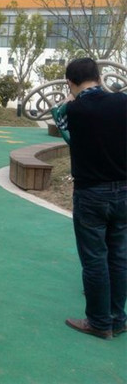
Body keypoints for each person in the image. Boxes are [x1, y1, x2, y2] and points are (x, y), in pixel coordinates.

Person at [51, 57, 127, 340]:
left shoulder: (73, 110)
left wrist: (68, 101)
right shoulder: (122, 102)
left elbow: (62, 126)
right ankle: (118, 319)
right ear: (98, 76)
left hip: (91, 193)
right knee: (119, 256)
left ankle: (98, 322)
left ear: (70, 82)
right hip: (123, 191)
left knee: (95, 259)